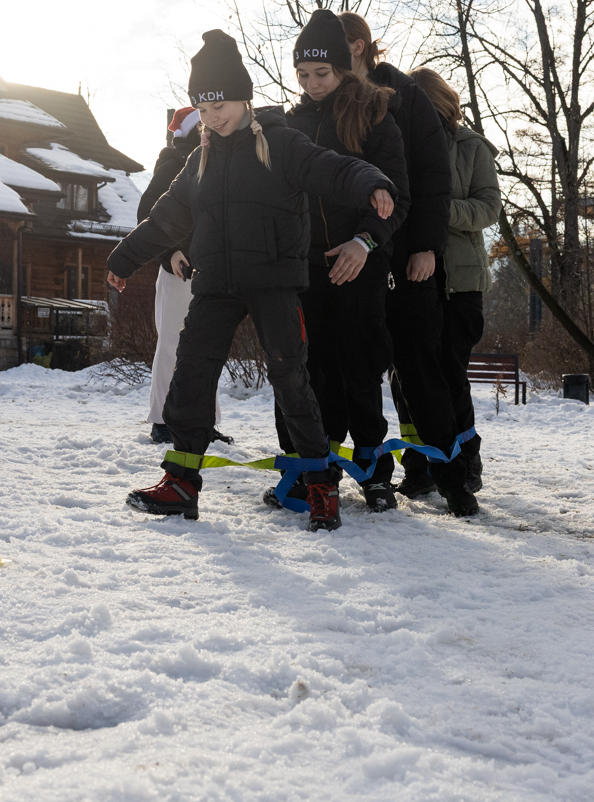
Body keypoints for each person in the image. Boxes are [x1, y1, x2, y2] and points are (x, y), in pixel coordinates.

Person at [106, 29, 396, 531]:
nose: (213, 115)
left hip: (274, 283)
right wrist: (124, 258)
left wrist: (371, 182)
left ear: (244, 98)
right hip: (215, 284)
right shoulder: (199, 161)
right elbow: (166, 218)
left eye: (221, 103)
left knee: (291, 379)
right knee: (191, 376)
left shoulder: (280, 143)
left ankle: (320, 486)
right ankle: (180, 483)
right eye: (203, 105)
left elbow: (329, 169)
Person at [337, 11, 477, 516]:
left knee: (421, 365)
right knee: (358, 365)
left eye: (338, 46)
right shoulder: (329, 97)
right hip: (356, 259)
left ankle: (454, 477)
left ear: (357, 46)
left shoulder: (402, 94)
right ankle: (370, 475)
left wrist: (428, 248)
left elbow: (433, 176)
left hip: (409, 256)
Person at [275, 9, 410, 513]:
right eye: (303, 76)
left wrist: (364, 242)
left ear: (345, 67)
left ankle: (375, 474)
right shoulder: (290, 125)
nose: (312, 85)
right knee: (313, 373)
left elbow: (399, 198)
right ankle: (315, 470)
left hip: (361, 264)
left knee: (359, 368)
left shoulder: (377, 117)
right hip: (306, 267)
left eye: (322, 74)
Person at [394, 68, 503, 494]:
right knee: (406, 377)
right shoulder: (398, 142)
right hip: (408, 276)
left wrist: (438, 210)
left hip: (459, 281)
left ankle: (464, 460)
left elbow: (488, 208)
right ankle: (418, 465)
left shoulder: (471, 147)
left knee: (449, 375)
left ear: (439, 103)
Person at [138, 107, 228, 447]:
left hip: (212, 270)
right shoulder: (174, 163)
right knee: (173, 344)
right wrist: (171, 251)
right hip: (179, 270)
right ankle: (161, 419)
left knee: (207, 348)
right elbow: (147, 214)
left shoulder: (219, 163)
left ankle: (205, 420)